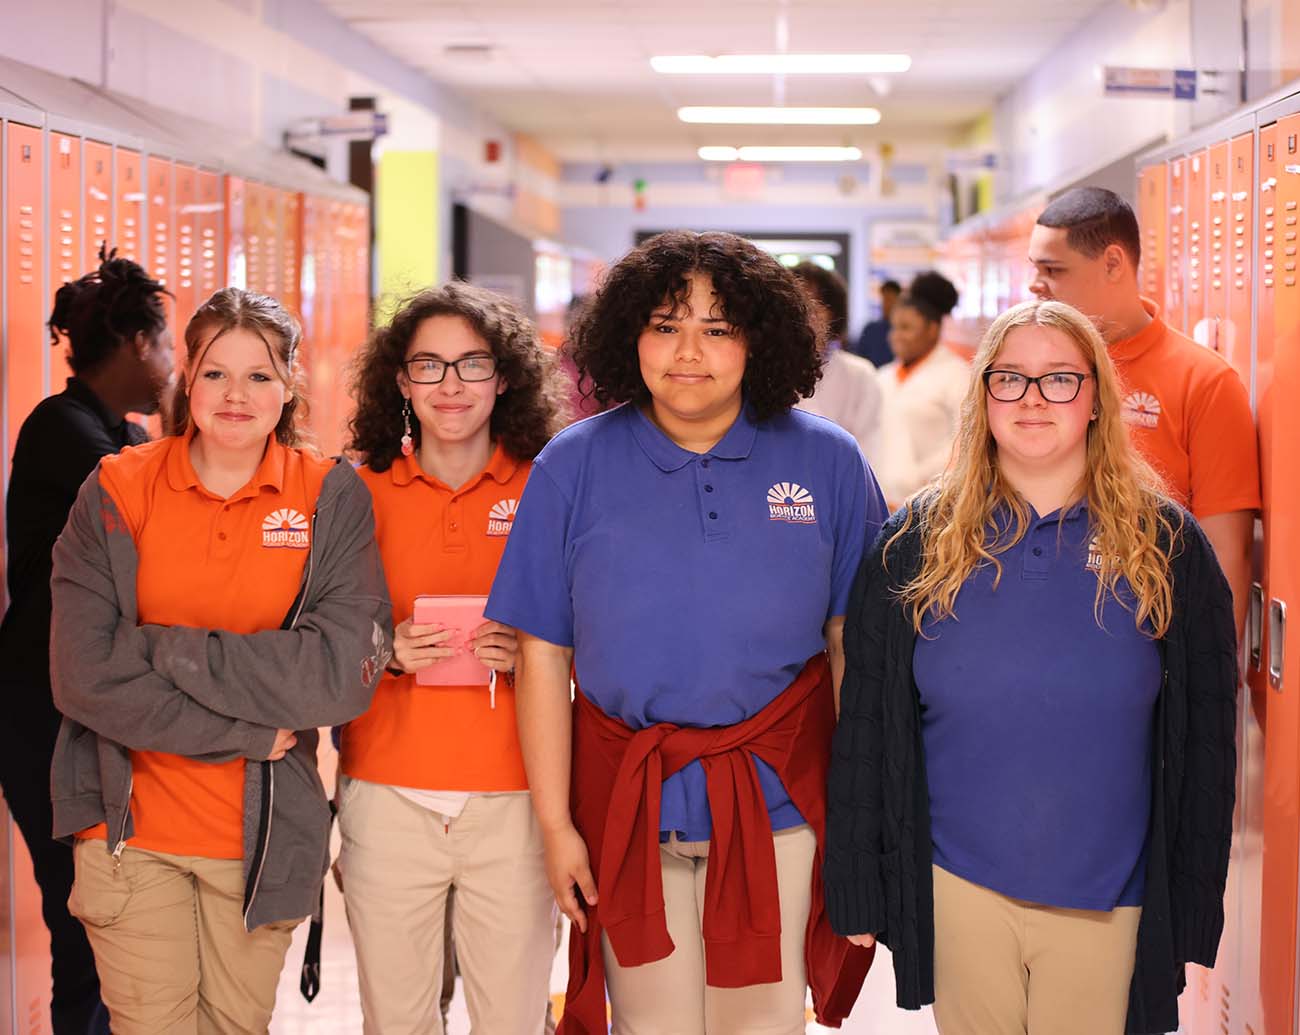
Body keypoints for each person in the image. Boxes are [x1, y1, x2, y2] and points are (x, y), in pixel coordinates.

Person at [486, 230, 885, 1035]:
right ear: (629, 335)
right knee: (649, 1021)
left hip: (779, 805)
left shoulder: (828, 462)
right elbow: (543, 654)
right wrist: (557, 826)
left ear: (758, 340)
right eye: (666, 325)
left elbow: (856, 651)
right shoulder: (573, 464)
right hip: (627, 805)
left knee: (763, 1023)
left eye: (718, 327)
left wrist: (861, 820)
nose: (688, 351)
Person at [825, 299, 1238, 1035]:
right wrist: (858, 883)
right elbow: (864, 725)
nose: (1033, 400)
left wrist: (1198, 898)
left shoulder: (1164, 542)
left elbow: (1209, 730)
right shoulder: (913, 541)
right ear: (982, 395)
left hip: (1111, 893)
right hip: (958, 885)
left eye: (1059, 380)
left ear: (1097, 399)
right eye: (1009, 379)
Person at [49, 287, 391, 1035]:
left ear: (291, 384)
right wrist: (241, 731)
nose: (236, 395)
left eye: (259, 376)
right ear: (187, 379)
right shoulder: (118, 487)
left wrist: (160, 645)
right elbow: (84, 675)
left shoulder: (328, 496)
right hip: (129, 830)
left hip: (263, 841)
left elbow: (336, 674)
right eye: (214, 373)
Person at [339, 282, 567, 1035]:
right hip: (388, 794)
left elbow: (600, 630)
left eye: (471, 364)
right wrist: (385, 647)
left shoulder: (551, 485)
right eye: (429, 366)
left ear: (504, 376)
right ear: (400, 380)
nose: (451, 385)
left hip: (516, 799)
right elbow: (310, 632)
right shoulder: (357, 490)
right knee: (397, 1022)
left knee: (511, 1020)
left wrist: (535, 649)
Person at [0, 255, 174, 1035]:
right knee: (82, 928)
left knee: (113, 923)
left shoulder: (119, 434)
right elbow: (159, 525)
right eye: (168, 345)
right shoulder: (65, 435)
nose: (175, 364)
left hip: (90, 714)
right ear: (139, 342)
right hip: (42, 717)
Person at [1028, 186, 1258, 633]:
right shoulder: (1022, 372)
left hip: (1149, 643)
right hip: (1035, 636)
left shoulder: (1203, 381)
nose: (1036, 285)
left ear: (1113, 263)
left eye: (1053, 269)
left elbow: (1226, 556)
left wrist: (1208, 685)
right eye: (1034, 268)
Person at [874, 271, 968, 505]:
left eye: (907, 328)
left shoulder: (957, 375)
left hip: (933, 506)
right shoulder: (882, 377)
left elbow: (965, 443)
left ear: (932, 329)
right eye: (894, 327)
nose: (897, 336)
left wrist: (914, 483)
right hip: (881, 503)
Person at [790, 262, 883, 464]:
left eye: (818, 306)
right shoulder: (762, 369)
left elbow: (870, 448)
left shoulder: (859, 373)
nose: (809, 317)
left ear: (835, 313)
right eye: (800, 305)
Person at [852, 278, 901, 366]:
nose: (886, 304)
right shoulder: (870, 329)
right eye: (884, 299)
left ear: (898, 301)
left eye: (890, 299)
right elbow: (859, 359)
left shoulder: (902, 331)